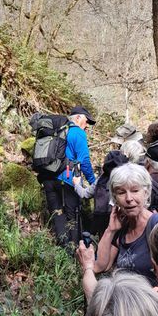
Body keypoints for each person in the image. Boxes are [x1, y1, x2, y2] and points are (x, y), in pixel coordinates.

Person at [93, 163, 158, 285]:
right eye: (121, 192)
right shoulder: (122, 229)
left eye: (135, 190)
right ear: (114, 198)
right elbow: (99, 266)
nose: (129, 198)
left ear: (146, 193)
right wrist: (110, 230)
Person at [40, 106, 96, 249]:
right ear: (77, 118)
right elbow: (84, 161)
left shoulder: (57, 131)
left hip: (48, 178)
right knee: (73, 216)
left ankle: (62, 251)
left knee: (57, 214)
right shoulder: (77, 133)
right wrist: (94, 183)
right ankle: (74, 252)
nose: (87, 125)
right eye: (86, 120)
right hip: (66, 180)